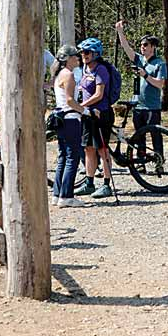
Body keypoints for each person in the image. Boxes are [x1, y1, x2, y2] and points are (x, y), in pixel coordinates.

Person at [115, 20, 167, 164]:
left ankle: (159, 161)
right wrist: (120, 31)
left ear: (153, 47)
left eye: (145, 45)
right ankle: (141, 162)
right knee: (139, 137)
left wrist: (145, 75)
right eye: (141, 45)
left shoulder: (159, 63)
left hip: (152, 107)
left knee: (156, 135)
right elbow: (126, 48)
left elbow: (159, 84)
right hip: (138, 106)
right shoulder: (138, 59)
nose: (142, 47)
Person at [75, 37, 115, 199]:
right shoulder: (86, 69)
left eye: (86, 52)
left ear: (95, 53)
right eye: (82, 52)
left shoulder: (101, 70)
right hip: (88, 115)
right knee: (88, 148)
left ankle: (106, 185)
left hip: (101, 114)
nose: (83, 55)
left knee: (102, 149)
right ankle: (89, 183)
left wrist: (81, 105)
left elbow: (99, 95)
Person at [49, 45, 87, 208]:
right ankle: (67, 195)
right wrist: (86, 111)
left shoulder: (58, 75)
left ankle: (57, 193)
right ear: (68, 59)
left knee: (63, 156)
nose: (77, 58)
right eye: (75, 56)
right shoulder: (69, 74)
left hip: (61, 118)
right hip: (70, 118)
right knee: (73, 156)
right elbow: (71, 100)